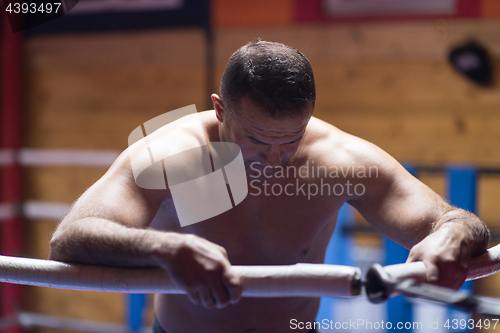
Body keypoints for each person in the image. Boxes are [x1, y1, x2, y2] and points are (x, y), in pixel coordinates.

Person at [49, 40, 490, 333]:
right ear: (220, 110)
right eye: (256, 139)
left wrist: (452, 236)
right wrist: (165, 249)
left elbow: (451, 220)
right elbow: (69, 239)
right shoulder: (168, 154)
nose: (275, 158)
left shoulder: (341, 158)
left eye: (291, 139)